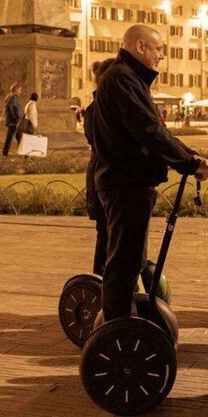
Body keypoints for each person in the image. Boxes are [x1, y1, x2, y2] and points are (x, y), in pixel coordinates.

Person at [92, 24, 208, 321]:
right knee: (123, 265)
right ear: (141, 46)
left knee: (130, 262)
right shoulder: (122, 79)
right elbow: (148, 130)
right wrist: (188, 163)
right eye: (158, 49)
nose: (161, 56)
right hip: (125, 183)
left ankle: (124, 325)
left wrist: (189, 155)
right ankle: (118, 331)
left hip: (130, 182)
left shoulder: (129, 79)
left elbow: (156, 129)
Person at [84, 59, 116, 275]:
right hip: (105, 177)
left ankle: (102, 283)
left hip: (99, 174)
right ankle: (101, 285)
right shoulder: (100, 110)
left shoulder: (93, 109)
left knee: (106, 235)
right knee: (106, 235)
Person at [1, 85, 24, 156]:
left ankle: (24, 153)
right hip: (13, 122)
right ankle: (4, 153)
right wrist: (17, 118)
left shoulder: (10, 97)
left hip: (13, 121)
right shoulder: (13, 98)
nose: (20, 92)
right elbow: (13, 108)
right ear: (16, 90)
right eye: (19, 90)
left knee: (19, 137)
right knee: (10, 138)